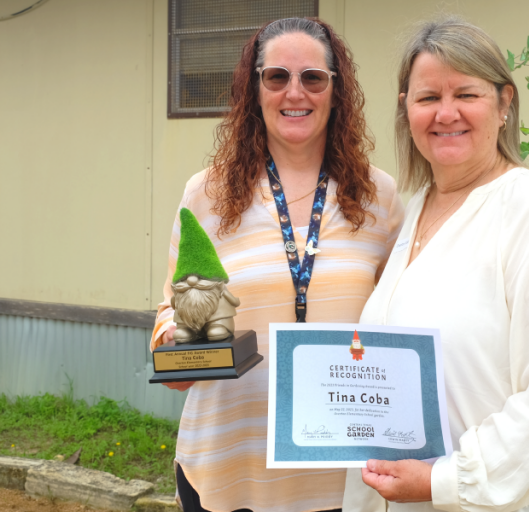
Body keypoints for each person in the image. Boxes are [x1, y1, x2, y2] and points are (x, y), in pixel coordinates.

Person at [342, 18, 529, 512]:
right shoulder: (415, 209)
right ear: (406, 109)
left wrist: (446, 481)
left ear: (504, 103)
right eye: (427, 98)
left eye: (466, 93)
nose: (446, 114)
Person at [151, 17, 404, 512]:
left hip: (342, 479)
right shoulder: (207, 194)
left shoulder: (380, 197)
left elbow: (396, 325)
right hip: (228, 470)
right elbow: (171, 323)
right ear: (255, 88)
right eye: (276, 77)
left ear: (336, 91)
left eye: (313, 77)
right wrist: (181, 343)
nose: (296, 92)